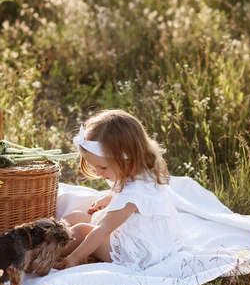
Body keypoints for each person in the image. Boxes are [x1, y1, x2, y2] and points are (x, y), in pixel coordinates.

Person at [57, 109, 185, 271]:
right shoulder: (137, 169)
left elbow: (104, 228)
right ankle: (47, 237)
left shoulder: (133, 193)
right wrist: (109, 198)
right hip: (143, 234)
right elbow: (121, 189)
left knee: (81, 231)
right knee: (77, 216)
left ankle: (42, 254)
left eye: (102, 167)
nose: (97, 173)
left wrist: (75, 257)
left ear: (127, 159)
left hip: (138, 252)